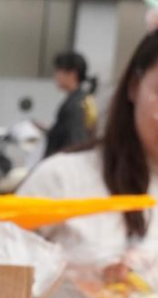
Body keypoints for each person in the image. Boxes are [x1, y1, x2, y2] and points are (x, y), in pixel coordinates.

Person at [20, 32, 158, 264]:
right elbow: (0, 271)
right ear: (134, 86)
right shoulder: (63, 179)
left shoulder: (78, 103)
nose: (56, 76)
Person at [42, 50, 98, 159]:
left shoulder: (74, 105)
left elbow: (75, 142)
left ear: (72, 74)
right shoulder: (82, 98)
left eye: (58, 71)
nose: (55, 76)